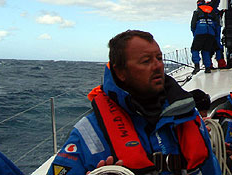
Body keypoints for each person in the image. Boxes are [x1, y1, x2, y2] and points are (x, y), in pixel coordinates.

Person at [47, 30, 221, 175]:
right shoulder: (89, 133)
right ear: (121, 72)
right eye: (146, 61)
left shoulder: (188, 115)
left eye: (159, 58)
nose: (158, 66)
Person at [191, 0, 227, 73]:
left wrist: (195, 34)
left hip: (200, 33)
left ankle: (197, 66)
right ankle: (210, 67)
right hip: (212, 33)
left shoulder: (197, 11)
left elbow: (193, 25)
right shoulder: (211, 9)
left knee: (195, 49)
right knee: (208, 50)